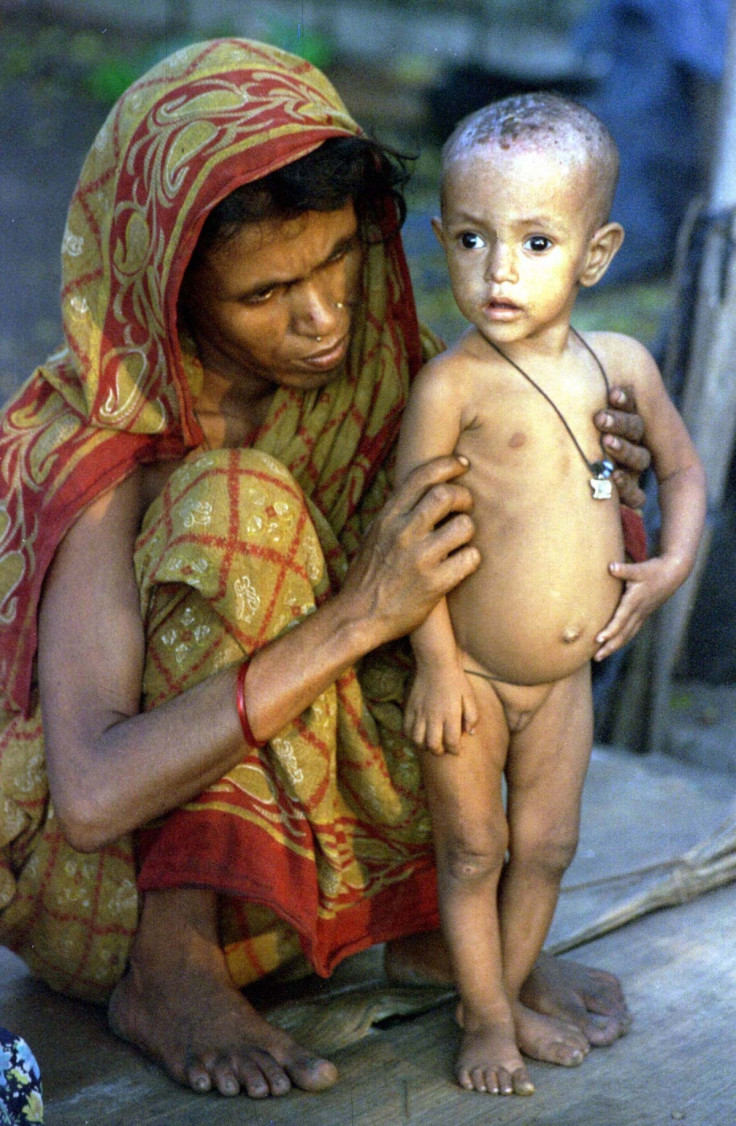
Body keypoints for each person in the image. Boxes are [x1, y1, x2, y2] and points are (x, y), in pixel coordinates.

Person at [0, 42, 651, 1101]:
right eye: (265, 292)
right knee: (240, 510)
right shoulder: (107, 445)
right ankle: (176, 969)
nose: (321, 318)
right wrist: (358, 615)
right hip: (108, 891)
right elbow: (92, 794)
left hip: (300, 877)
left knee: (468, 587)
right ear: (171, 291)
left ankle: (432, 934)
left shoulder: (385, 371)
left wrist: (588, 456)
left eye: (337, 260)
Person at [395, 92, 706, 1097]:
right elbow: (410, 538)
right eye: (474, 240)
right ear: (440, 237)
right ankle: (482, 1017)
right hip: (474, 677)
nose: (497, 273)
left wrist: (667, 566)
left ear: (596, 250)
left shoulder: (620, 367)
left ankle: (515, 985)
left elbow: (685, 473)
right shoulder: (450, 388)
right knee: (474, 845)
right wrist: (437, 662)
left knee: (550, 844)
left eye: (534, 242)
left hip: (565, 682)